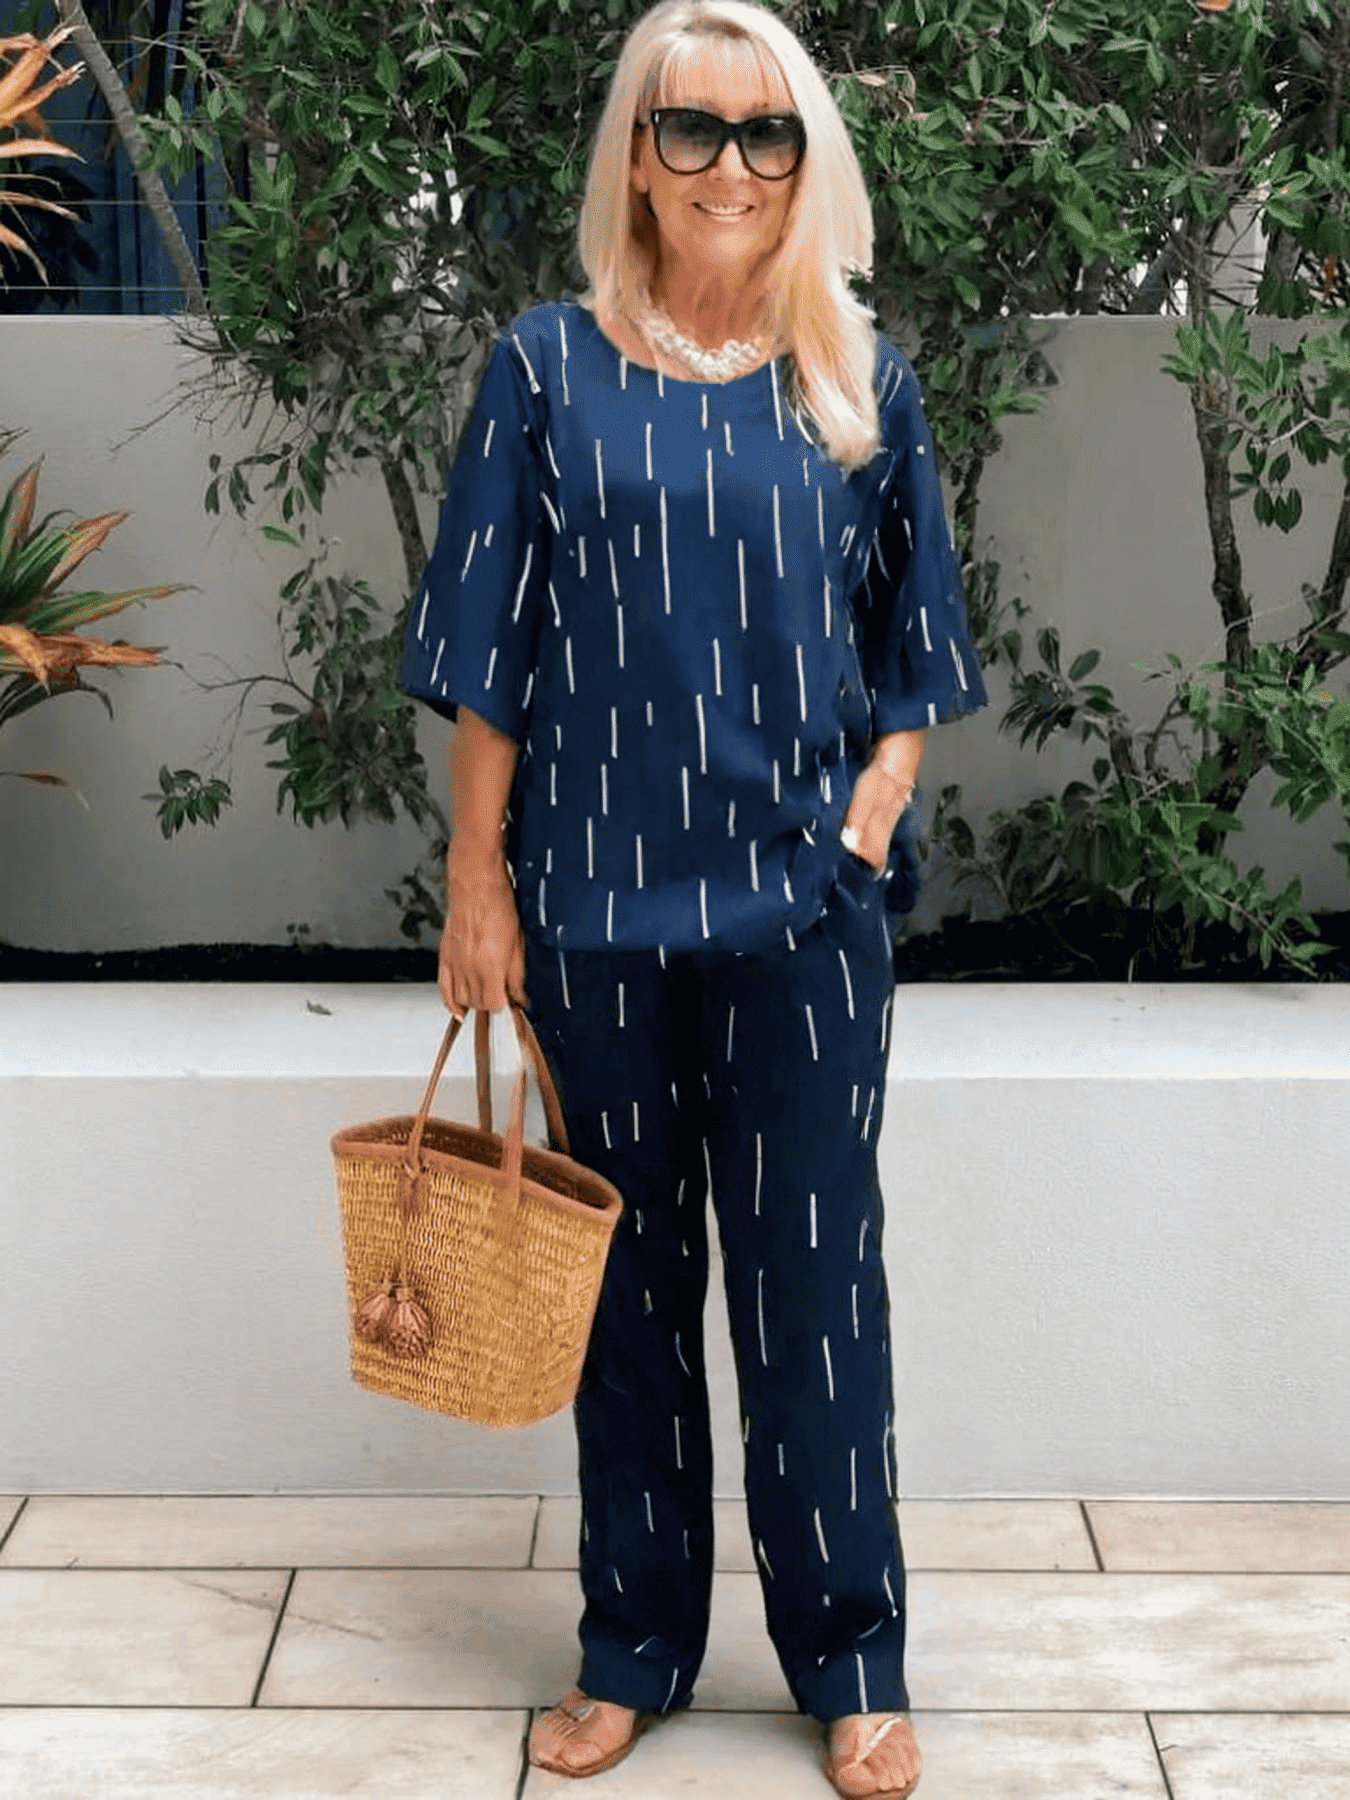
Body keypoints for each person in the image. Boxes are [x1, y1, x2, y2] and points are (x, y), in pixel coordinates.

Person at [399, 3, 986, 1793]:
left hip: (803, 923)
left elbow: (916, 644)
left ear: (805, 163)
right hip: (590, 914)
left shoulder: (858, 381)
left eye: (766, 132)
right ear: (635, 157)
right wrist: (478, 883)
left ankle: (852, 1659)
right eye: (692, 128)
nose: (730, 164)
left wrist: (873, 812)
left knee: (816, 1298)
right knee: (623, 1306)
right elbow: (487, 658)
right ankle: (630, 1648)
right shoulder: (541, 371)